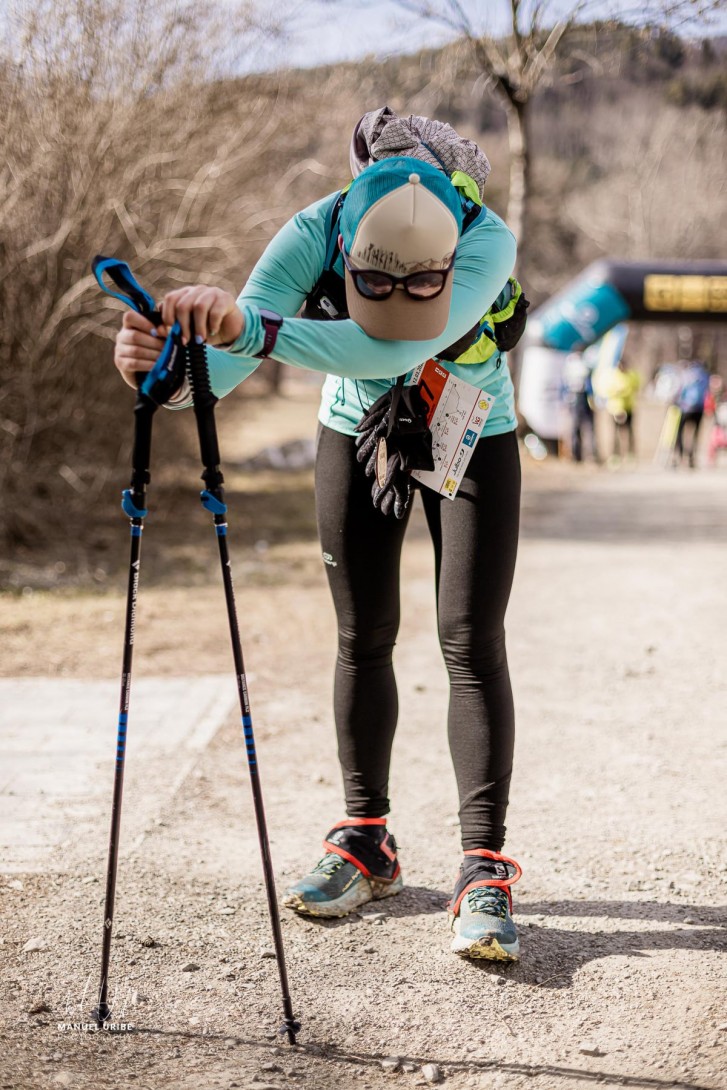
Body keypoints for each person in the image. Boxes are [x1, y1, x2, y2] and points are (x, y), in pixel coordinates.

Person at [112, 109, 525, 962]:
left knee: (468, 640)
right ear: (349, 239)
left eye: (422, 280)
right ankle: (365, 840)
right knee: (361, 633)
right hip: (353, 425)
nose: (400, 297)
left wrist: (250, 330)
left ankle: (482, 866)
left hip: (470, 423)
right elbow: (223, 364)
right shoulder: (313, 229)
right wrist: (166, 370)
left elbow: (393, 346)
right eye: (378, 281)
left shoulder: (489, 241)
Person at [600, 357, 640, 465]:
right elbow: (606, 390)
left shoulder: (631, 375)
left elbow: (636, 385)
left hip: (628, 407)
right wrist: (620, 391)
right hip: (615, 409)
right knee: (615, 433)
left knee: (630, 432)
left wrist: (626, 391)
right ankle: (615, 455)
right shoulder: (612, 376)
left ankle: (630, 454)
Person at [562, 352, 598, 464]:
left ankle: (580, 455)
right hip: (579, 398)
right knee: (584, 428)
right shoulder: (582, 366)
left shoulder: (570, 365)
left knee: (579, 428)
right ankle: (582, 454)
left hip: (577, 398)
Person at [673, 359, 710, 468]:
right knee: (695, 434)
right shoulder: (705, 376)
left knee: (679, 432)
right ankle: (691, 457)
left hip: (686, 408)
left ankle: (680, 456)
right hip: (699, 409)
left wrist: (677, 402)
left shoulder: (687, 375)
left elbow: (680, 391)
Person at [704, 374, 727, 467]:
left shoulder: (718, 396)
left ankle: (712, 460)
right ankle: (712, 460)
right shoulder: (712, 396)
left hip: (720, 423)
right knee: (714, 442)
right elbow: (708, 410)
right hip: (718, 423)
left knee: (715, 441)